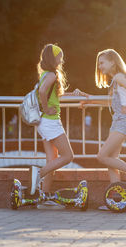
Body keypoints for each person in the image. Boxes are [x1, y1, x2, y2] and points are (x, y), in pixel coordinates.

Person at [81, 49, 126, 192]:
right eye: (98, 64)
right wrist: (90, 101)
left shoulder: (118, 77)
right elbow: (111, 102)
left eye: (102, 63)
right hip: (118, 121)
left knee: (102, 156)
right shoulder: (116, 80)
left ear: (113, 62)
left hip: (124, 121)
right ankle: (116, 196)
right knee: (112, 159)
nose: (99, 66)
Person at [30, 44, 88, 208]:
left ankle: (45, 198)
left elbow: (56, 96)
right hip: (50, 121)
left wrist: (74, 95)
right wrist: (47, 108)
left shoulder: (45, 75)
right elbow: (42, 92)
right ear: (52, 58)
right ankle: (38, 174)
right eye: (59, 57)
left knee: (52, 161)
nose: (61, 60)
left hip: (44, 121)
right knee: (68, 156)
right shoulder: (51, 75)